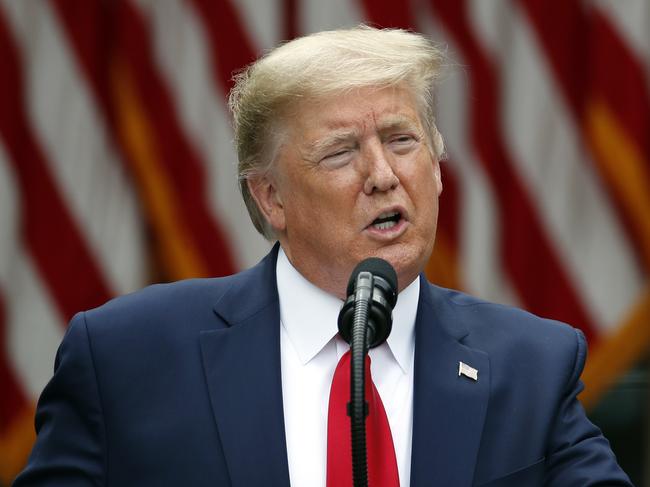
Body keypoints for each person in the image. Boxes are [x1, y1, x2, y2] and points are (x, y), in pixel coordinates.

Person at [14, 26, 631, 487]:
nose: (383, 175)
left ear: (439, 169)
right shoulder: (127, 358)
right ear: (271, 197)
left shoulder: (533, 366)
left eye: (402, 140)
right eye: (340, 153)